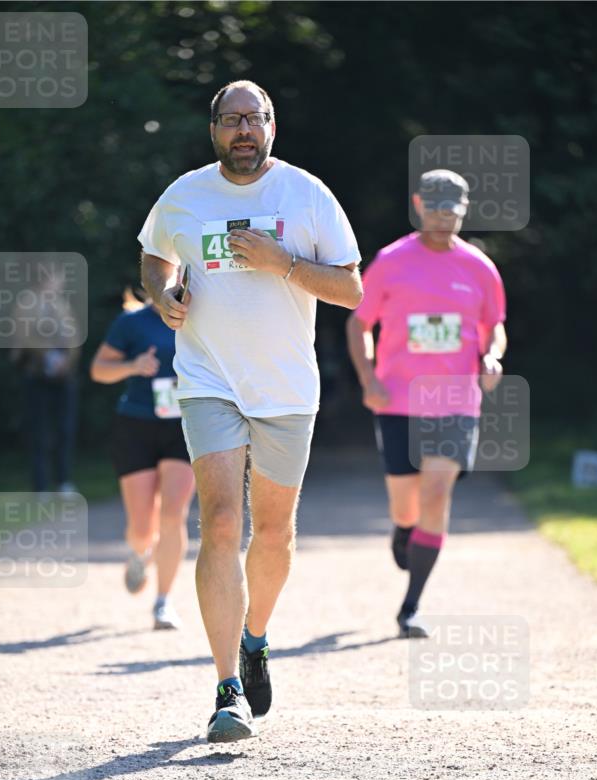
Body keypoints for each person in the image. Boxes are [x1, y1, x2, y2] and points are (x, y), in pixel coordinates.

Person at [138, 79, 362, 742]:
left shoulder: (307, 194)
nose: (243, 130)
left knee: (272, 534)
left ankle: (254, 638)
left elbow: (351, 288)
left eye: (254, 118)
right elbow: (154, 256)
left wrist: (283, 263)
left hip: (286, 388)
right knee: (220, 523)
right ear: (213, 129)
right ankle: (226, 689)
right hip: (208, 378)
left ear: (272, 126)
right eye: (231, 119)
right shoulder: (184, 194)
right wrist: (161, 294)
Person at [346, 169, 507, 638]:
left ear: (463, 211)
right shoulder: (391, 262)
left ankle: (411, 606)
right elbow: (359, 324)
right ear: (418, 204)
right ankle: (403, 530)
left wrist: (492, 354)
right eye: (434, 210)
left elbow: (493, 324)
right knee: (405, 505)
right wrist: (368, 378)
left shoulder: (479, 267)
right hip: (398, 400)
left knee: (437, 492)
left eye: (451, 213)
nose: (443, 220)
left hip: (456, 399)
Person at [90, 290, 195, 629]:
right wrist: (132, 366)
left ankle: (163, 602)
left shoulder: (204, 318)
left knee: (173, 513)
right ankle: (140, 552)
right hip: (136, 426)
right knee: (140, 527)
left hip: (184, 425)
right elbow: (98, 370)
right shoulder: (131, 323)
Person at [12, 271, 80, 497]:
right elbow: (23, 337)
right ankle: (40, 486)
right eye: (55, 277)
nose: (59, 282)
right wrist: (48, 357)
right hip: (36, 373)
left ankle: (63, 481)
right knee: (39, 430)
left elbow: (73, 337)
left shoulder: (62, 304)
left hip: (63, 375)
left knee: (64, 429)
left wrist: (67, 361)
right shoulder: (26, 303)